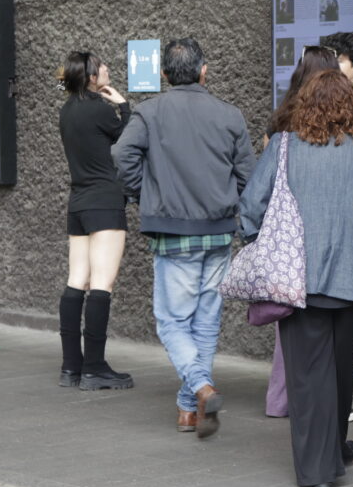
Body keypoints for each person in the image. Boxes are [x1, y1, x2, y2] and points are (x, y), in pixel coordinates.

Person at [240, 70, 353, 487]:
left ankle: (318, 470)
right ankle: (335, 448)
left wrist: (262, 249)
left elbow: (249, 210)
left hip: (297, 281)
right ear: (352, 108)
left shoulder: (282, 149)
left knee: (306, 377)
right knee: (339, 372)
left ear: (305, 105)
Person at [112, 38, 255, 438]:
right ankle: (188, 409)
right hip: (219, 233)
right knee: (206, 324)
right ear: (204, 70)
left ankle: (200, 388)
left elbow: (121, 158)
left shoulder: (149, 112)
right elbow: (248, 177)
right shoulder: (230, 115)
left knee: (172, 321)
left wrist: (146, 194)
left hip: (172, 233)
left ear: (163, 75)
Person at [263, 45, 341, 418]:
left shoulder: (281, 120)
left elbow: (265, 178)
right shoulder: (341, 119)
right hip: (329, 231)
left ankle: (280, 399)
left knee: (289, 322)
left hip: (288, 231)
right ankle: (323, 399)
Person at [57, 51, 134, 391]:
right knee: (102, 283)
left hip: (78, 203)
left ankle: (71, 366)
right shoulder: (101, 110)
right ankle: (95, 367)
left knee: (77, 280)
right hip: (104, 202)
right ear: (90, 76)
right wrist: (124, 104)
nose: (106, 68)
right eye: (101, 65)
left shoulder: (66, 111)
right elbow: (127, 139)